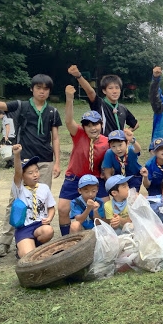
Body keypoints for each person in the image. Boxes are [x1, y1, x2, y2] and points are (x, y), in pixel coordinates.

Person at [0, 75, 62, 257]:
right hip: (23, 161)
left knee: (41, 200)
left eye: (46, 88)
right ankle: (5, 242)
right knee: (15, 202)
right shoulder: (22, 105)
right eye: (38, 88)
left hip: (44, 160)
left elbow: (56, 137)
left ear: (49, 91)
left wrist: (57, 161)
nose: (42, 91)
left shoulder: (52, 111)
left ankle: (34, 239)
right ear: (32, 89)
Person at [58, 86, 109, 236]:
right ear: (84, 126)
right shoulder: (79, 134)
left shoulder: (107, 142)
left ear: (101, 124)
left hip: (96, 180)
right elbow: (68, 121)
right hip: (75, 177)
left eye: (95, 124)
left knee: (106, 207)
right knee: (62, 208)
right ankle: (66, 239)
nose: (92, 128)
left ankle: (104, 237)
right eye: (88, 125)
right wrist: (69, 98)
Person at [10, 147, 56, 258]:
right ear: (23, 176)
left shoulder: (44, 188)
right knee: (27, 256)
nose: (35, 175)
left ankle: (36, 245)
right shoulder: (19, 189)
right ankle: (24, 246)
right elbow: (17, 172)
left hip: (40, 225)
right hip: (24, 227)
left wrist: (49, 218)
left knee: (48, 230)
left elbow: (51, 207)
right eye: (30, 173)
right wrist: (17, 155)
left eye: (36, 171)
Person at [68, 65, 139, 135]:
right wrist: (79, 76)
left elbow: (135, 124)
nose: (114, 91)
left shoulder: (123, 108)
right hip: (103, 144)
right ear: (104, 91)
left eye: (117, 88)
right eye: (110, 88)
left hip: (118, 145)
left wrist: (125, 133)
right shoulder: (99, 104)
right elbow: (90, 92)